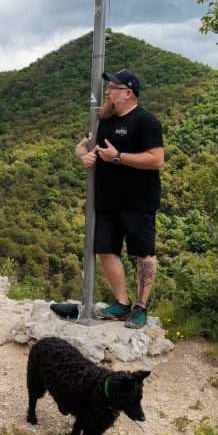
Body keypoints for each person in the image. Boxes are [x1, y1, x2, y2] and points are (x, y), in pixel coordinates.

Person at [75, 69, 164, 329]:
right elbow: (81, 145)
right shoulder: (104, 121)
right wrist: (83, 155)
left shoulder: (146, 121)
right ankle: (122, 303)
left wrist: (117, 157)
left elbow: (157, 159)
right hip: (106, 201)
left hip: (139, 201)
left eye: (113, 87)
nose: (108, 91)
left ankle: (140, 307)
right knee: (105, 250)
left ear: (128, 92)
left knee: (143, 254)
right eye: (108, 87)